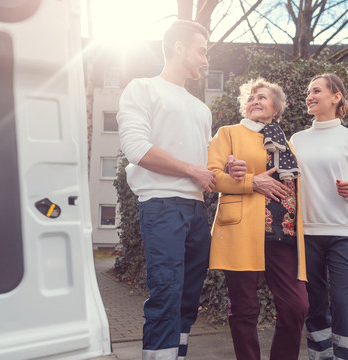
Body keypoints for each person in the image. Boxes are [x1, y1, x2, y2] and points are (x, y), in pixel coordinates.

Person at [116, 20, 216, 360]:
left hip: (197, 211)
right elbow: (137, 149)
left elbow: (206, 165)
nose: (205, 60)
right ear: (179, 47)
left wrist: (222, 169)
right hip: (161, 206)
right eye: (201, 51)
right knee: (166, 292)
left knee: (188, 297)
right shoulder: (142, 88)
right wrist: (192, 170)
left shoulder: (202, 109)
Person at [207, 78, 309, 360]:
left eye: (262, 97)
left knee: (296, 306)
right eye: (251, 97)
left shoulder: (287, 144)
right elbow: (212, 177)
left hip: (283, 234)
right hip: (241, 230)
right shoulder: (228, 133)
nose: (254, 101)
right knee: (244, 308)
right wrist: (251, 182)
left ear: (275, 109)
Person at [290, 73, 348, 360]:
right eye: (308, 92)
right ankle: (320, 357)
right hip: (306, 233)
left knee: (343, 302)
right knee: (313, 305)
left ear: (336, 97)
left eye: (316, 91)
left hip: (345, 233)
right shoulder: (296, 140)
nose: (309, 96)